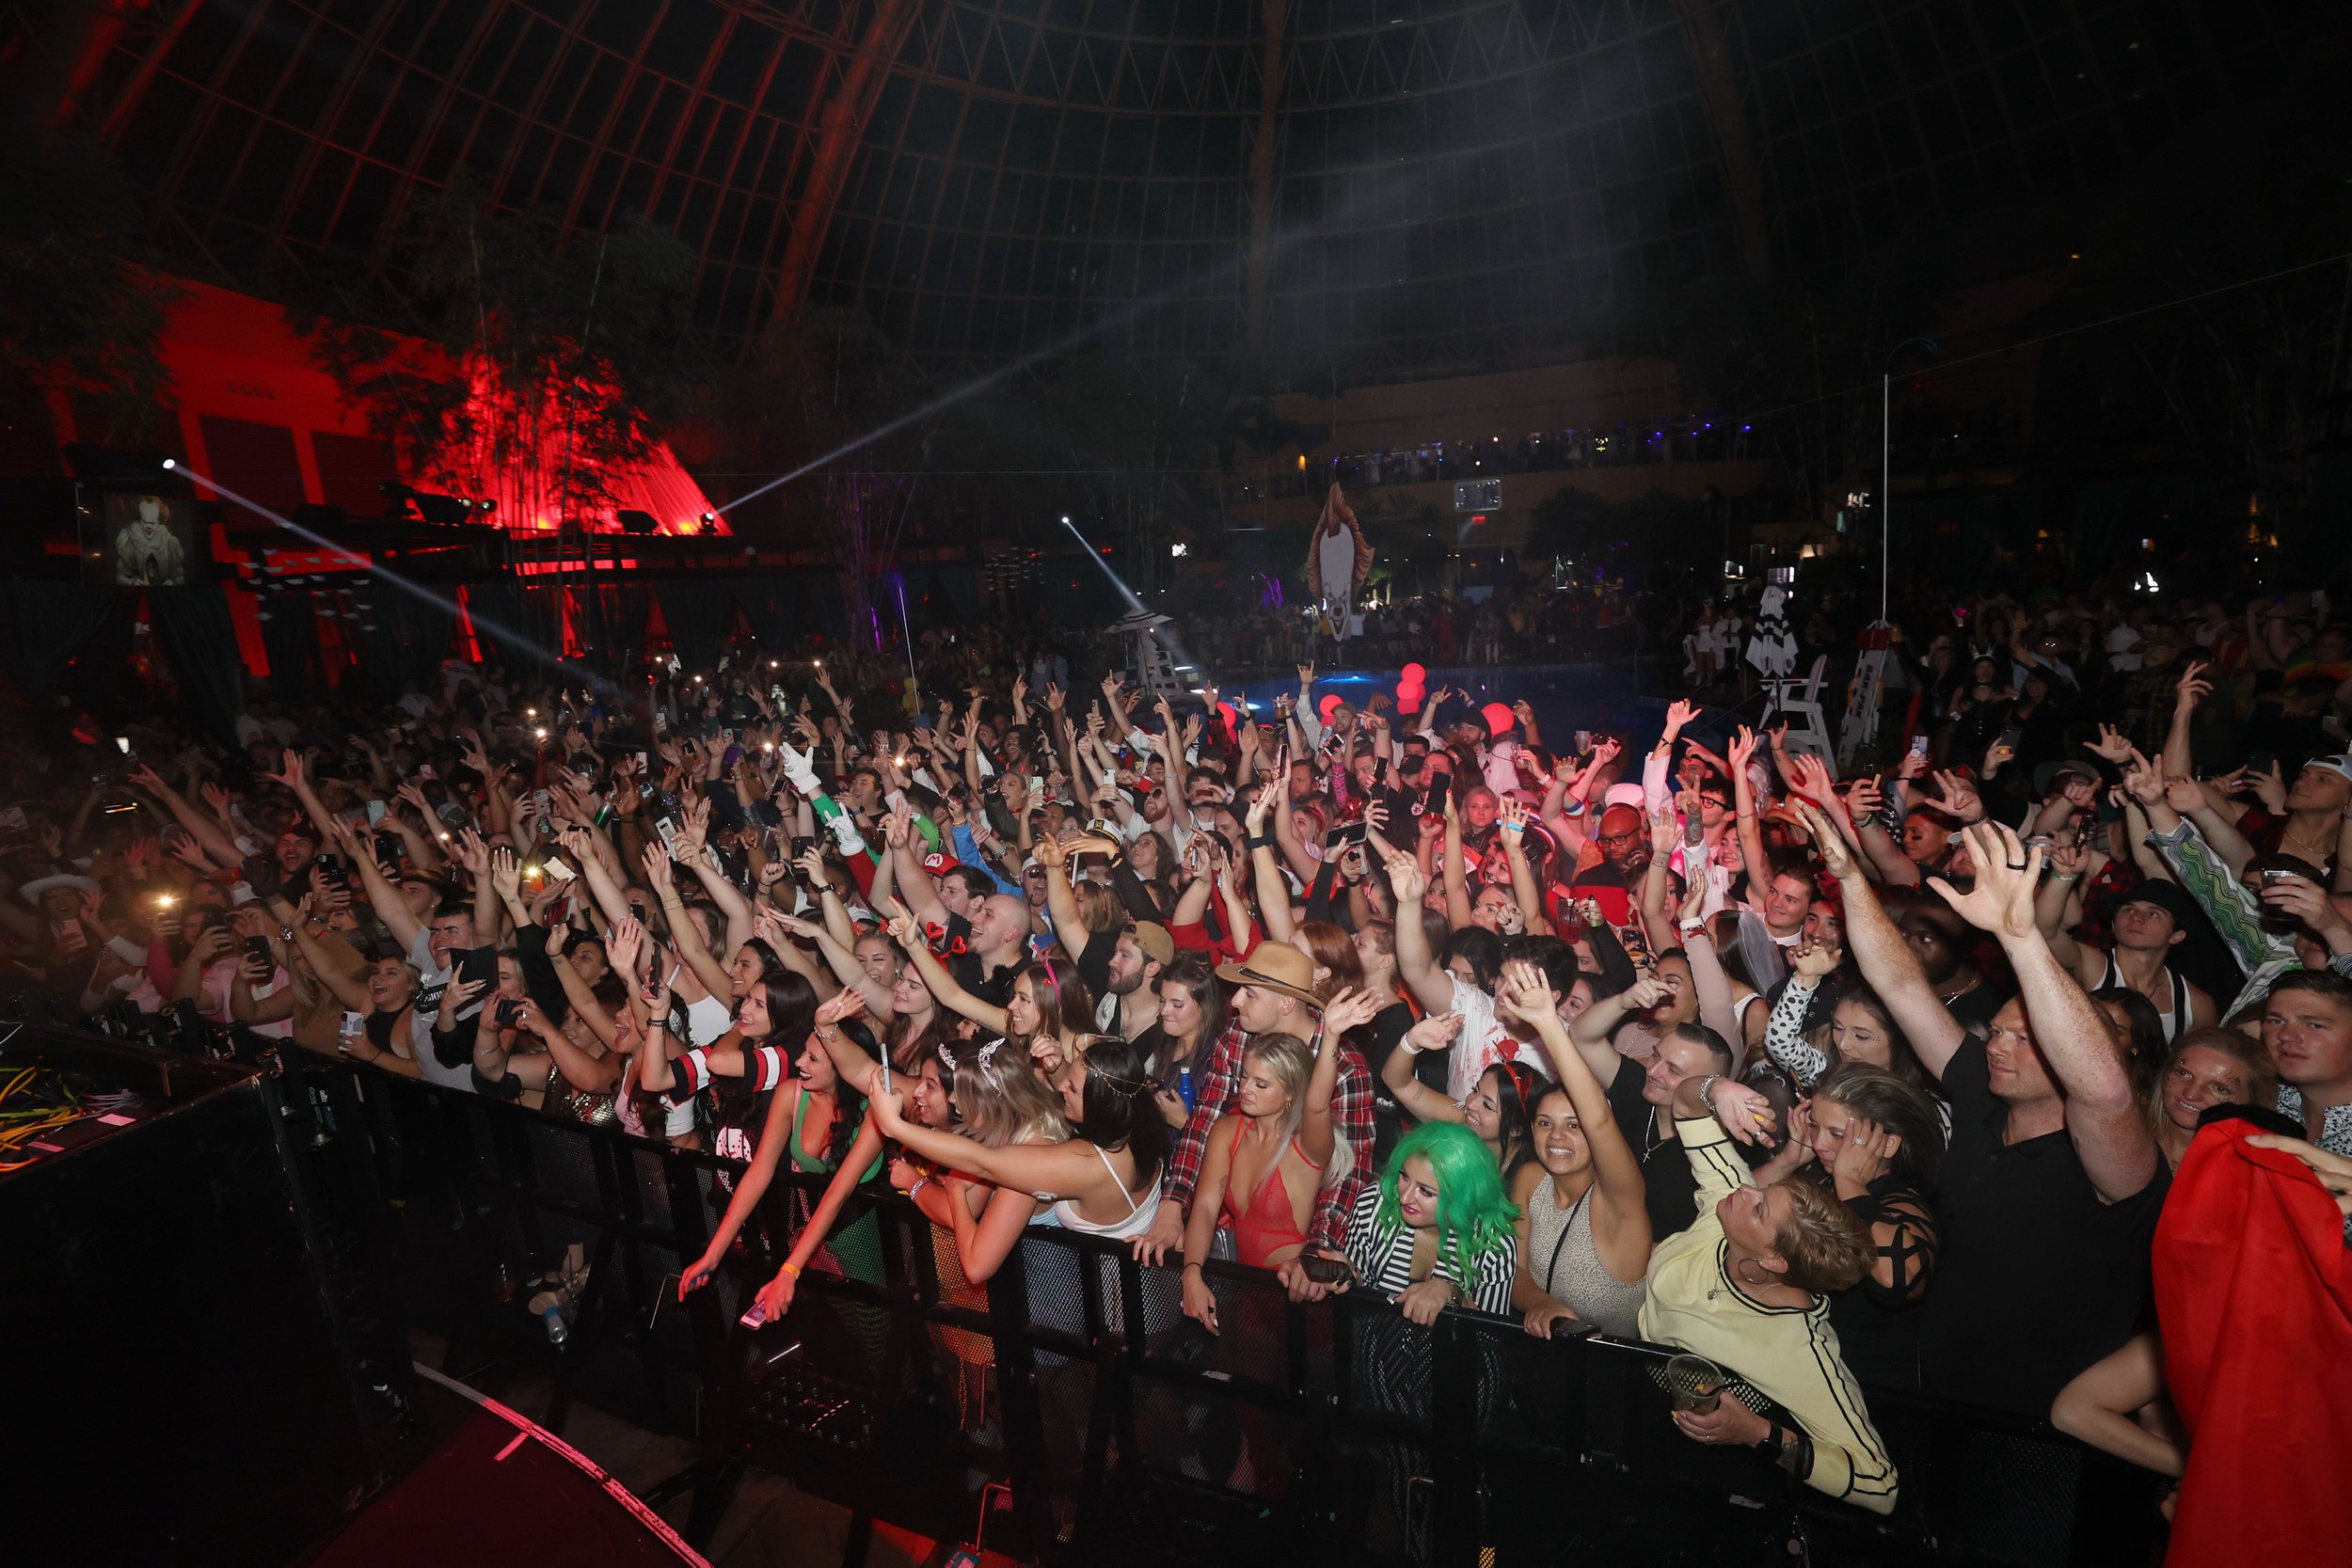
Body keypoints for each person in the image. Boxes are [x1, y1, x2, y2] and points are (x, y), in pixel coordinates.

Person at [1806, 801, 2166, 1417]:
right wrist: (1848, 879)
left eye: (2025, 1038)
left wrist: (2022, 940)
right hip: (1939, 1386)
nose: (1999, 1044)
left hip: (2039, 1427)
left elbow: (2104, 1089)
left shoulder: (2113, 1162)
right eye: (1997, 1032)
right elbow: (1900, 986)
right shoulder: (1982, 1088)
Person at [1640, 1069, 1898, 1515]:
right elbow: (1686, 1107)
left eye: (1760, 1208)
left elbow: (1880, 1485)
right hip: (1633, 1398)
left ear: (1774, 1261)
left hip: (1706, 1486)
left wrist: (1757, 1432)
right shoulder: (1728, 1203)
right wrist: (1716, 1090)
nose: (1745, 1189)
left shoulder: (1797, 1348)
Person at [1178, 988, 1376, 1333]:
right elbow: (1206, 1206)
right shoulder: (1228, 1131)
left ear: (1289, 1092)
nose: (1245, 1090)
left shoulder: (1306, 1146)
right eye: (1243, 1077)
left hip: (1302, 1303)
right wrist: (1191, 1273)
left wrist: (1330, 1036)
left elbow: (1316, 1104)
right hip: (1246, 1293)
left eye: (1261, 1084)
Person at [1744, 1063, 1944, 1390]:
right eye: (1814, 1125)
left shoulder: (1901, 1200)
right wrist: (1789, 1160)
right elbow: (1733, 1207)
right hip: (1797, 1369)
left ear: (1888, 1145)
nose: (1819, 1143)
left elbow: (1899, 1281)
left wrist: (1850, 1182)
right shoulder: (1819, 1176)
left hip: (1864, 1390)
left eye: (1837, 1134)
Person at [1499, 964, 1651, 1338]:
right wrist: (1541, 1303)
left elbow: (1598, 1119)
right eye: (1545, 1123)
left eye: (1573, 1125)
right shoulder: (1532, 1180)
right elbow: (1516, 1272)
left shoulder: (1618, 1197)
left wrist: (1549, 1024)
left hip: (1611, 1382)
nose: (1557, 1137)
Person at [2145, 1025, 2274, 1169]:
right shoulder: (2121, 1137)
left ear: (2252, 1103)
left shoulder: (2258, 1174)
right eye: (2183, 1074)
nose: (2191, 1094)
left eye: (2219, 1089)